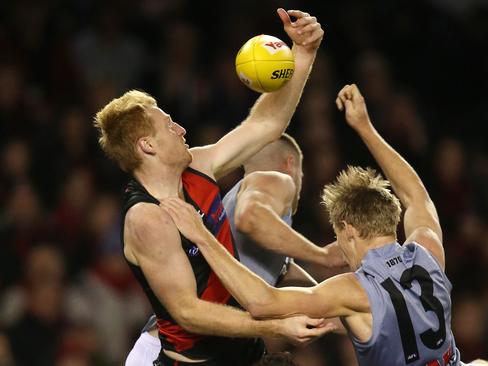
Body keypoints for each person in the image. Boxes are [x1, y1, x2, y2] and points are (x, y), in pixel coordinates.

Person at [159, 84, 488, 366]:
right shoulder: (428, 249)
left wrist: (202, 238)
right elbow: (417, 195)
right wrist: (365, 128)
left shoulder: (351, 288)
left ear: (347, 229)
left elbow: (261, 304)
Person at [94, 8, 330, 366]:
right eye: (169, 125)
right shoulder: (147, 220)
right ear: (147, 146)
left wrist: (303, 54)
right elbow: (189, 312)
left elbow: (266, 123)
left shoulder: (200, 164)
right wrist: (276, 324)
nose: (182, 130)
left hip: (245, 350)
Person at [126, 134, 346, 365]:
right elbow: (249, 218)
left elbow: (278, 275)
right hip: (179, 352)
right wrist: (323, 256)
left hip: (174, 348)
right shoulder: (276, 180)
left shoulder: (247, 213)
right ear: (290, 164)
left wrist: (343, 310)